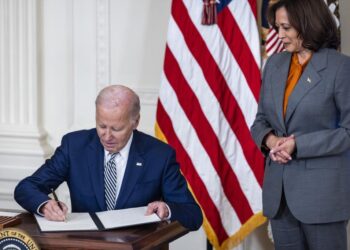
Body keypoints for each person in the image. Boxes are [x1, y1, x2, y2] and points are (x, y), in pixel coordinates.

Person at [14, 85, 202, 231]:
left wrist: (167, 209)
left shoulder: (159, 155)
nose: (107, 136)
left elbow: (193, 214)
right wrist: (45, 205)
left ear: (135, 122)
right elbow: (26, 187)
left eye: (116, 128)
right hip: (87, 247)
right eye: (101, 126)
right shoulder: (75, 146)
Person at [251, 0, 350, 249]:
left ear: (307, 23)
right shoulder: (274, 65)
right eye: (277, 27)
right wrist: (271, 140)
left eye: (286, 27)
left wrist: (299, 145)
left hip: (322, 198)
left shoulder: (340, 68)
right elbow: (260, 121)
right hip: (279, 197)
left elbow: (348, 132)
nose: (279, 34)